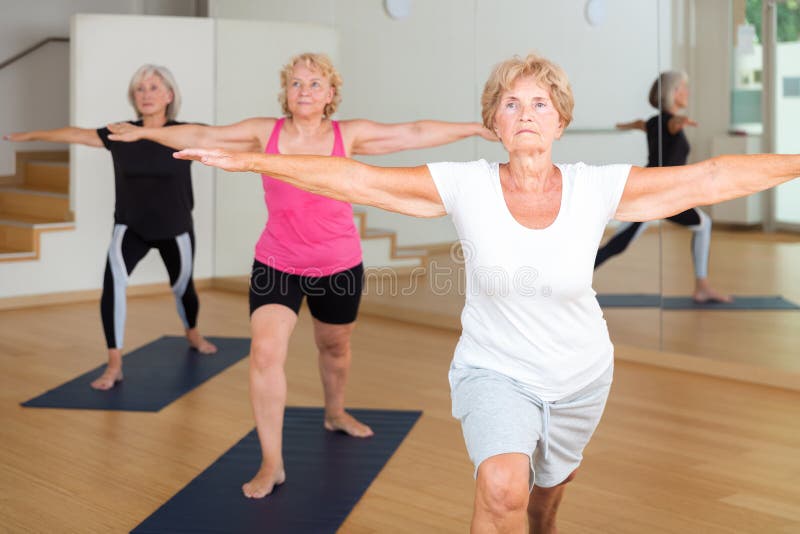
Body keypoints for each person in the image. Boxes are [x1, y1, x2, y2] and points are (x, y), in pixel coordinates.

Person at [173, 53, 800, 533]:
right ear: (494, 122)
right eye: (510, 103)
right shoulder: (465, 183)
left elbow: (712, 176)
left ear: (561, 118)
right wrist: (257, 161)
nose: (525, 112)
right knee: (502, 486)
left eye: (539, 102)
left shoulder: (597, 186)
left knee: (546, 494)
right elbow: (359, 179)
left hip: (580, 376)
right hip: (495, 370)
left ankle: (545, 519)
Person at [107, 52, 495, 499]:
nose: (304, 91)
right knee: (265, 353)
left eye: (315, 84)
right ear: (285, 93)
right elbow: (204, 133)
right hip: (277, 264)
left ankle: (334, 411)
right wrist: (144, 131)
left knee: (335, 347)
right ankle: (272, 462)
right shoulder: (263, 132)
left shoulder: (347, 135)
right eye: (296, 83)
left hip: (338, 266)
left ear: (331, 94)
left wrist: (474, 128)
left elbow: (413, 132)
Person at [4, 64, 217, 391]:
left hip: (176, 228)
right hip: (130, 226)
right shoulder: (120, 132)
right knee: (113, 286)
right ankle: (114, 363)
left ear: (170, 95)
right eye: (140, 89)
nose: (146, 94)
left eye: (154, 88)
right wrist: (29, 137)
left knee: (182, 287)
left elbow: (230, 139)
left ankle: (193, 333)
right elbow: (75, 133)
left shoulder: (184, 132)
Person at [597, 70, 731, 303]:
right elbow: (671, 124)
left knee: (620, 242)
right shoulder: (670, 122)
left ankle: (702, 287)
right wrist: (680, 121)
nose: (687, 92)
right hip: (659, 195)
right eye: (683, 87)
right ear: (673, 92)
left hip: (659, 192)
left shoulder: (652, 122)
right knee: (618, 244)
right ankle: (569, 280)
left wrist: (623, 125)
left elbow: (641, 124)